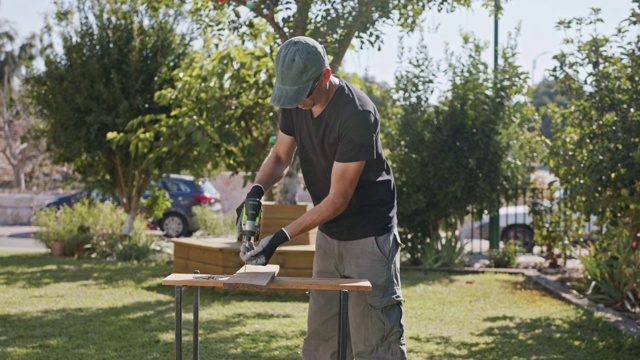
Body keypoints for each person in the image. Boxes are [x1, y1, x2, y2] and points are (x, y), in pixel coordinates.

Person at [238, 36, 406, 360]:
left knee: (374, 342)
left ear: (325, 77)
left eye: (303, 95)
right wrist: (255, 193)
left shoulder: (357, 114)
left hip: (369, 235)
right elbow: (279, 156)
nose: (298, 102)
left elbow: (338, 198)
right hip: (330, 234)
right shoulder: (295, 98)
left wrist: (279, 238)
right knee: (322, 340)